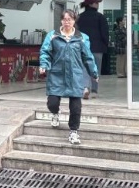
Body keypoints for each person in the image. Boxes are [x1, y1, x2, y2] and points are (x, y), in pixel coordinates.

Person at [38, 9, 98, 145]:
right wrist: (44, 64)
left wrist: (94, 73)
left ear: (74, 21)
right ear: (61, 20)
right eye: (65, 19)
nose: (67, 22)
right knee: (52, 103)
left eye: (70, 19)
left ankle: (73, 132)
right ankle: (55, 113)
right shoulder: (52, 36)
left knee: (76, 107)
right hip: (56, 75)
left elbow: (88, 57)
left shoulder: (82, 38)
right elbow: (45, 52)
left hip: (75, 76)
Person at [75, 0, 109, 99]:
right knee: (95, 69)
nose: (98, 5)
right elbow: (105, 33)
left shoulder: (79, 17)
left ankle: (85, 87)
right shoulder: (100, 17)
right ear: (91, 4)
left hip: (82, 47)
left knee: (84, 68)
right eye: (96, 3)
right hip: (97, 48)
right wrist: (105, 44)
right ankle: (94, 90)